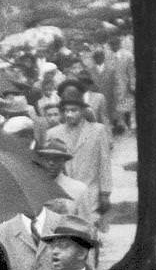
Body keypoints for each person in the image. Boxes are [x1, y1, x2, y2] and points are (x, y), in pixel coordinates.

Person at [47, 87, 112, 219]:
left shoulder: (98, 130)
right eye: (65, 111)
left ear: (82, 111)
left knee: (90, 226)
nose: (69, 114)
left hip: (91, 191)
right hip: (65, 192)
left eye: (73, 110)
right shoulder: (53, 133)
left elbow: (104, 162)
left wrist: (105, 192)